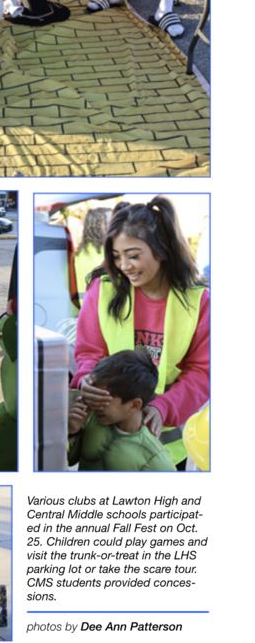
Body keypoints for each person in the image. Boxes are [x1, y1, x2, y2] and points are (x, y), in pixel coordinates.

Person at [72, 196, 209, 466]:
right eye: (116, 256)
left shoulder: (200, 301)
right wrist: (86, 379)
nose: (124, 266)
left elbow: (202, 371)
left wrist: (164, 407)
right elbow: (88, 352)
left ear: (163, 249)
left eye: (133, 255)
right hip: (103, 439)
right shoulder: (102, 291)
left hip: (167, 448)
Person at [68, 351, 176, 471]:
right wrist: (72, 432)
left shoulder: (156, 460)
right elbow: (69, 459)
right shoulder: (92, 418)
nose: (95, 403)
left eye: (103, 399)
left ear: (134, 405)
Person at [74, 207, 112, 305]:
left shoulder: (83, 251)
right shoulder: (103, 253)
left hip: (88, 306)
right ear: (97, 226)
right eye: (109, 222)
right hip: (100, 307)